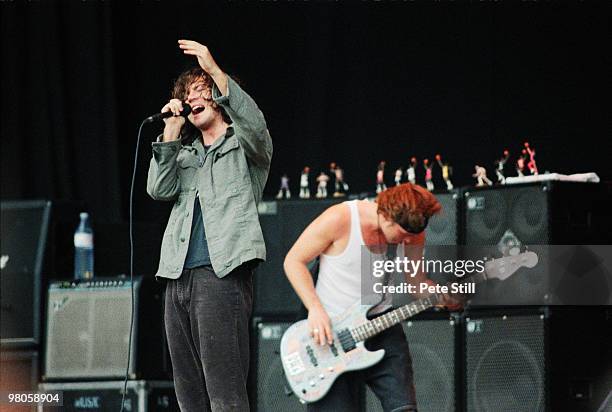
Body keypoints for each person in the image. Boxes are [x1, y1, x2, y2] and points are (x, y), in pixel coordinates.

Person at [146, 39, 272, 412]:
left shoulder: (244, 147)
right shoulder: (184, 155)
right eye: (187, 94)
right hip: (175, 277)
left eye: (201, 92)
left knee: (225, 393)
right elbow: (158, 188)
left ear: (218, 97)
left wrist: (214, 70)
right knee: (189, 394)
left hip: (220, 275)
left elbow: (256, 125)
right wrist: (171, 130)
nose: (192, 99)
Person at [283, 183, 459, 412]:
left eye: (412, 237)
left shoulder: (413, 232)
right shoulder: (341, 218)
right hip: (330, 334)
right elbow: (293, 261)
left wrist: (443, 297)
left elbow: (417, 284)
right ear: (386, 217)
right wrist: (314, 309)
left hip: (381, 324)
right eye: (403, 235)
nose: (408, 242)